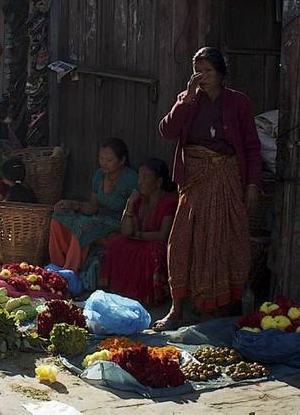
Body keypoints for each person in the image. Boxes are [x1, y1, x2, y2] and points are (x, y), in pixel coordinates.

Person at [156, 46, 262, 329]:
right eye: (197, 71)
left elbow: (252, 146)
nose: (202, 77)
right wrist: (186, 101)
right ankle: (177, 308)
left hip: (226, 178)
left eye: (208, 71)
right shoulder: (188, 99)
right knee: (182, 241)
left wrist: (252, 184)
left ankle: (215, 308)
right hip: (194, 179)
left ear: (221, 74)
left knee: (225, 240)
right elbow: (167, 131)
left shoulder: (238, 103)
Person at [48, 138, 138, 271]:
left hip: (118, 222)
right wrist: (71, 205)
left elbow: (137, 210)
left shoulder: (131, 179)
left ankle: (70, 271)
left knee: (83, 225)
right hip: (98, 218)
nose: (104, 163)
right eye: (101, 159)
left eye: (109, 160)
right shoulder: (99, 175)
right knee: (58, 216)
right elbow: (93, 207)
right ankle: (57, 264)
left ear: (122, 160)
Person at [100, 159, 180, 307]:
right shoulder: (138, 200)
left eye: (145, 177)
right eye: (139, 177)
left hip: (158, 243)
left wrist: (138, 236)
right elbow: (126, 231)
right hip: (140, 239)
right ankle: (120, 291)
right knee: (115, 244)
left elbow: (163, 234)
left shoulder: (169, 201)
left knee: (148, 253)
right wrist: (129, 206)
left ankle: (149, 296)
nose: (140, 182)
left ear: (158, 182)